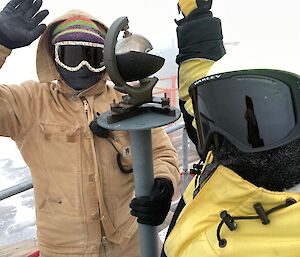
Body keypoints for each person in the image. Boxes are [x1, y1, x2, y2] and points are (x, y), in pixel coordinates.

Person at [0, 0, 180, 256]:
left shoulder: (126, 100)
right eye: (72, 57)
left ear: (106, 59)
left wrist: (164, 185)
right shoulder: (29, 103)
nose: (83, 68)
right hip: (64, 250)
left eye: (92, 57)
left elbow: (161, 153)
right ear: (54, 58)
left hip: (133, 244)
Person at [161, 0, 300, 256]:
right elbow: (200, 98)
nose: (226, 140)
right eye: (225, 118)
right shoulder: (224, 157)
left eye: (259, 119)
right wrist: (197, 22)